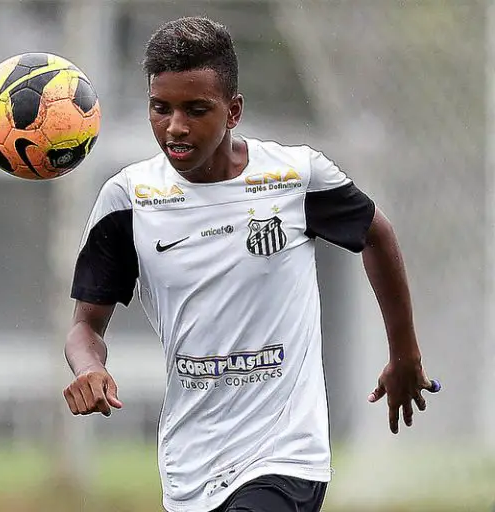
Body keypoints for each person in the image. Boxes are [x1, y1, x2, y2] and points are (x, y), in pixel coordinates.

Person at [62, 16, 437, 512]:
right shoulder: (128, 198)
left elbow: (376, 235)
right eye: (161, 108)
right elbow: (85, 326)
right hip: (190, 457)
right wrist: (89, 368)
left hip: (285, 451)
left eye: (196, 109)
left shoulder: (293, 176)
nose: (175, 126)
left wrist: (404, 352)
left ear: (233, 110)